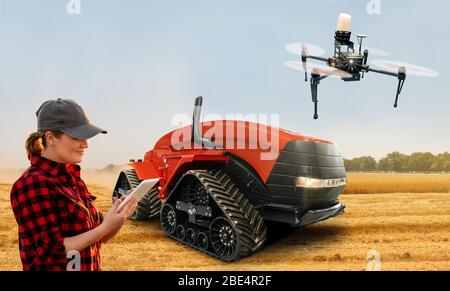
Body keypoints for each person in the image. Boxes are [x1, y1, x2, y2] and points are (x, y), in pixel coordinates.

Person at [10, 98, 138, 271]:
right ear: (51, 137)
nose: (85, 144)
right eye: (77, 136)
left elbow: (98, 236)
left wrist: (119, 218)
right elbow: (51, 251)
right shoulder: (32, 184)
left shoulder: (72, 178)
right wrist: (105, 227)